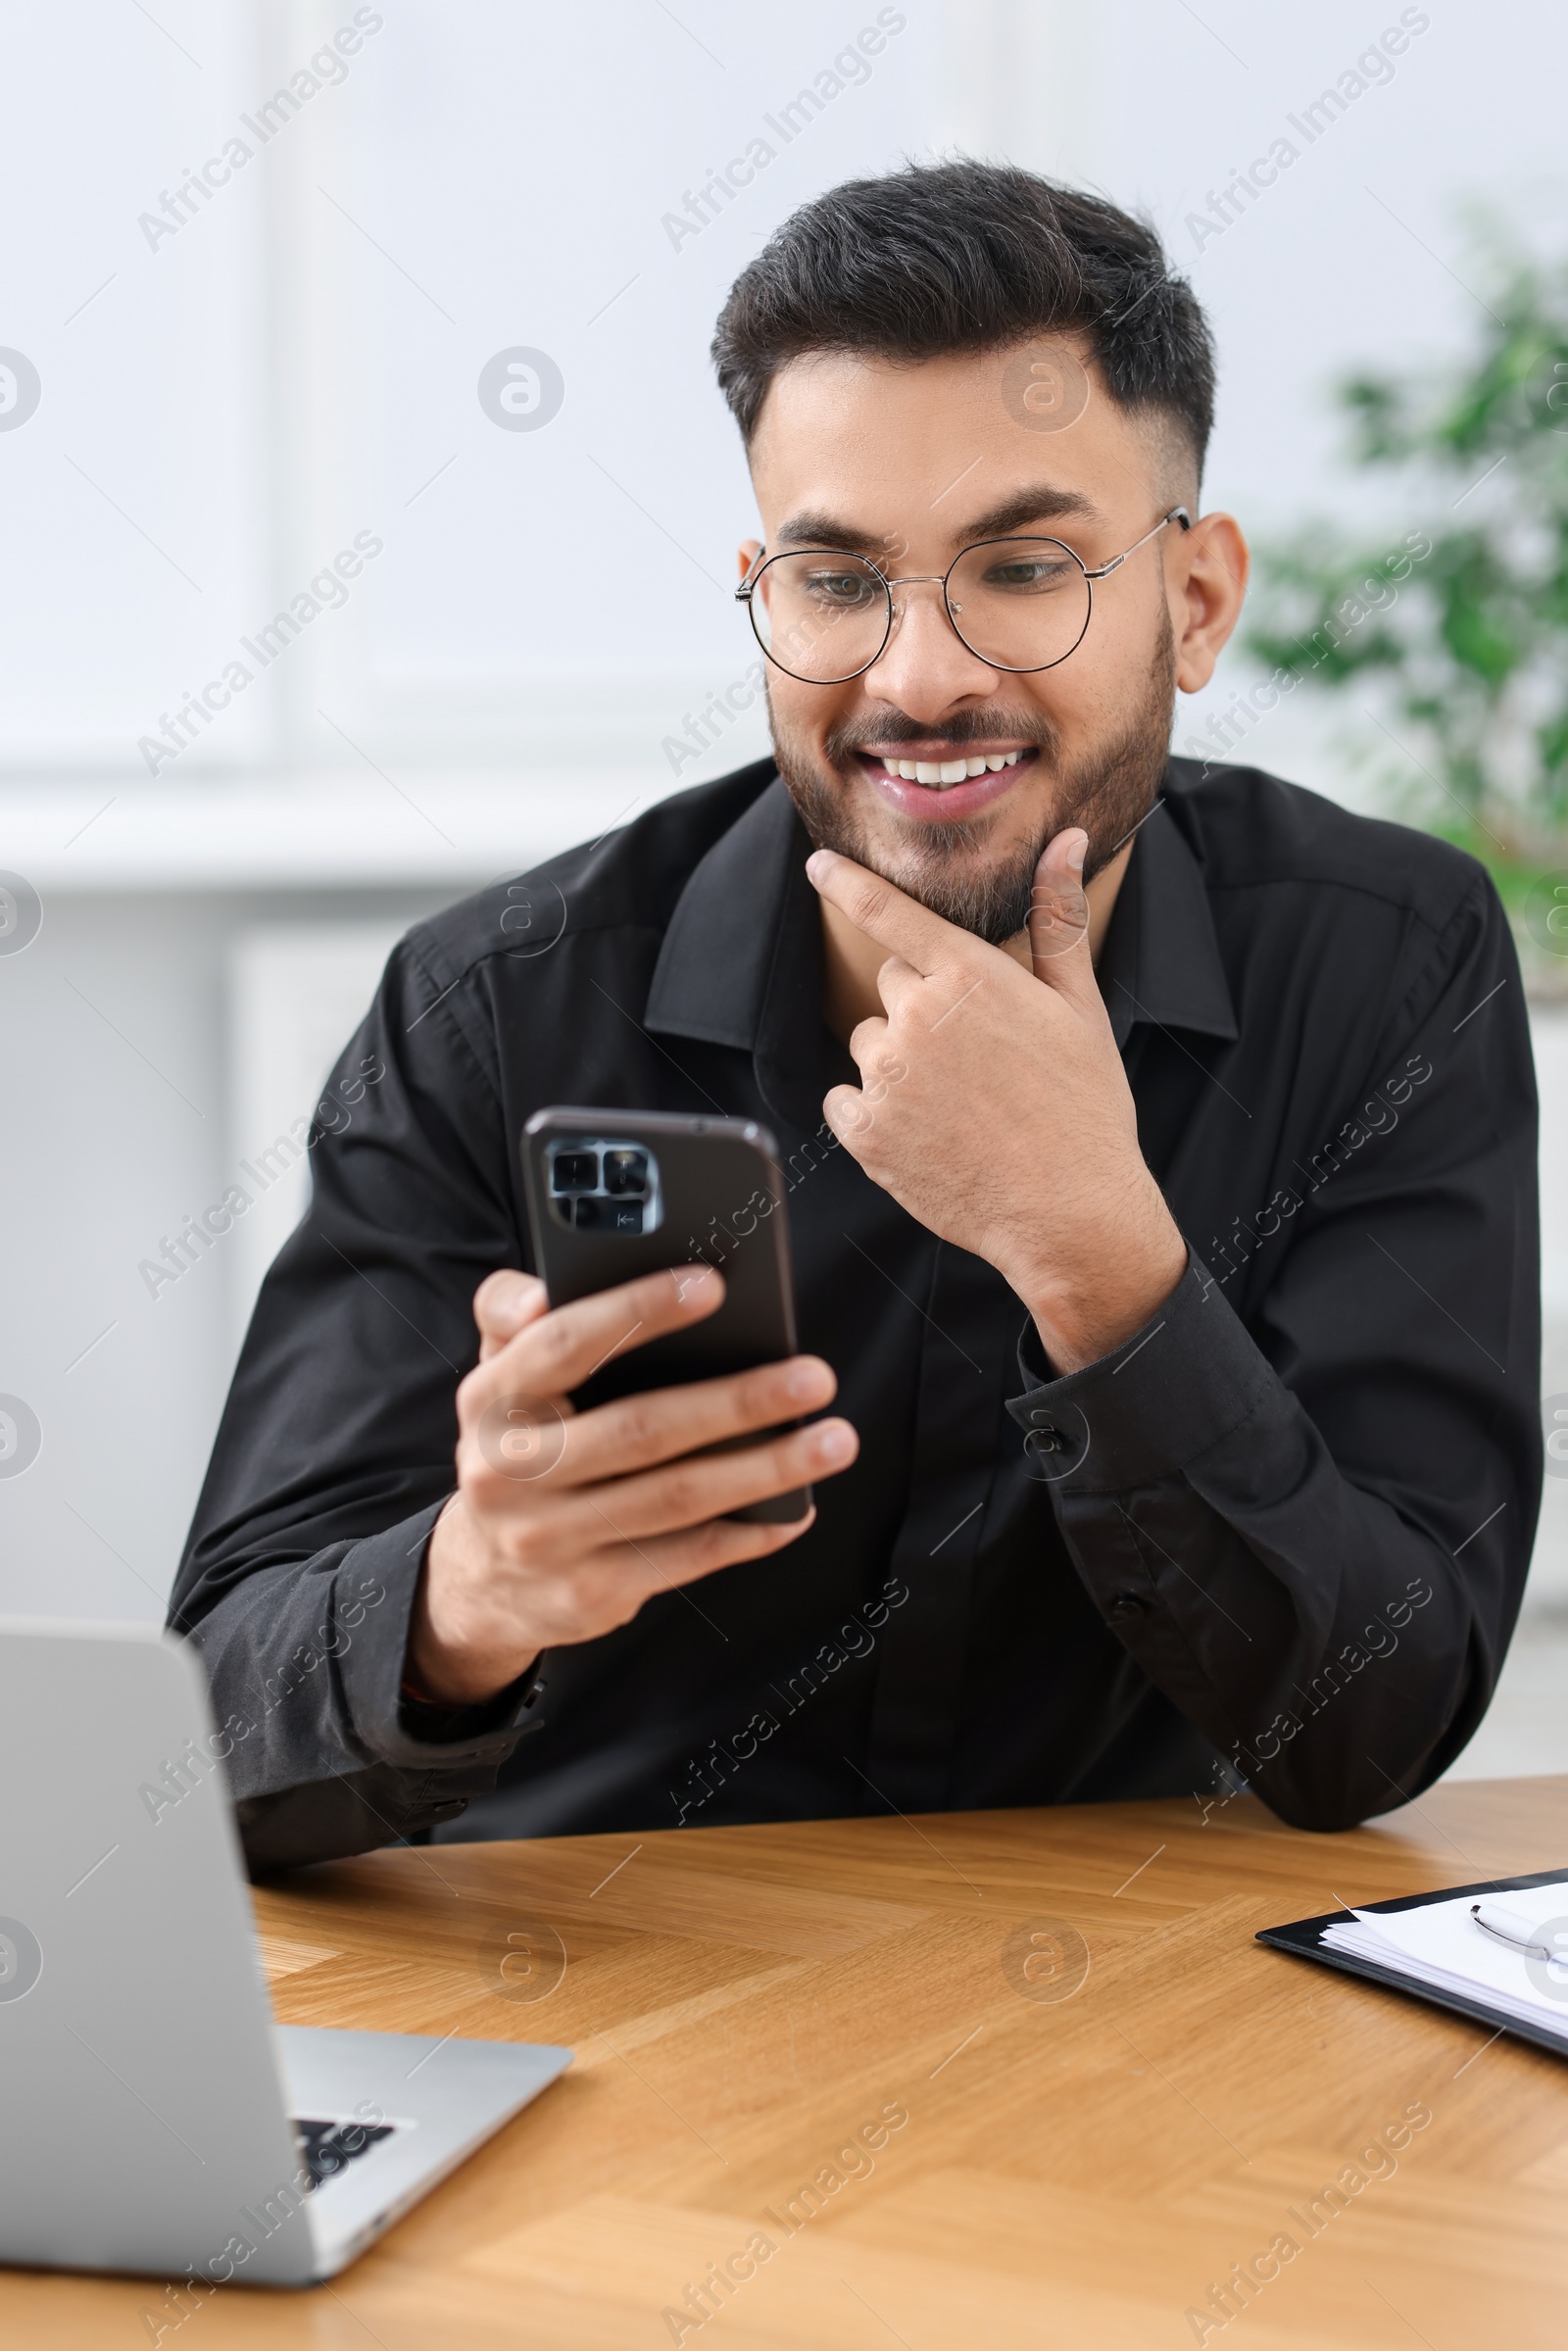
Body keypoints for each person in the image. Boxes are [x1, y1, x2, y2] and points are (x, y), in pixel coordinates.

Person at [170, 161, 1541, 1872]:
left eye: (1024, 568)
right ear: (765, 592)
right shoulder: (498, 1006)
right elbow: (207, 1738)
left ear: (1193, 603)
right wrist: (462, 1598)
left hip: (1131, 2034)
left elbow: (1381, 1722)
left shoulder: (1389, 961)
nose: (915, 677)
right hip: (605, 2012)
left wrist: (1101, 1259)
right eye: (837, 583)